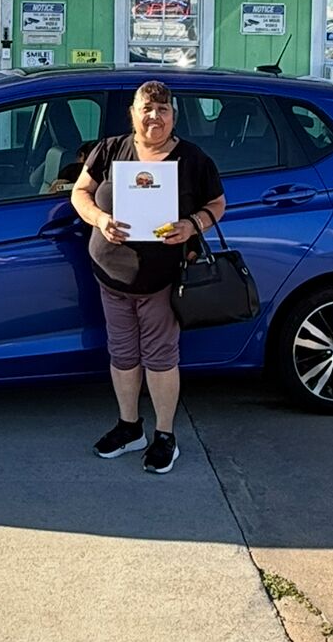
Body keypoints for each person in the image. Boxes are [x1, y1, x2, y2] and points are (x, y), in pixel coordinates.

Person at [71, 81, 226, 474]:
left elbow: (217, 203)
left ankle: (165, 436)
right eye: (147, 108)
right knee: (122, 354)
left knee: (159, 357)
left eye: (163, 109)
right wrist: (100, 219)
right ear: (132, 112)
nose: (154, 116)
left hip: (162, 278)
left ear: (173, 115)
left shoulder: (192, 159)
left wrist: (192, 226)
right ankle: (129, 428)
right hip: (111, 276)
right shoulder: (109, 150)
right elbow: (80, 193)